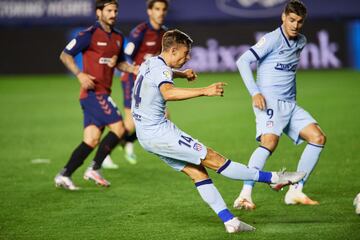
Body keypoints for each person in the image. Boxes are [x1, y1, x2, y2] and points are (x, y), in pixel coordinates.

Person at [131, 29, 306, 233]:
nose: (187, 58)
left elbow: (159, 75)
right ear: (172, 50)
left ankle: (230, 222)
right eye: (185, 54)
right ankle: (275, 178)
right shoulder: (162, 71)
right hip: (158, 133)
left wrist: (181, 73)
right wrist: (205, 90)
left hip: (145, 134)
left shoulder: (150, 62)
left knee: (198, 172)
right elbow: (168, 92)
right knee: (214, 159)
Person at [233, 0, 326, 210]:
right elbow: (242, 61)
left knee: (318, 137)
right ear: (283, 17)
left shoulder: (301, 41)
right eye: (291, 20)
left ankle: (295, 191)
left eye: (299, 22)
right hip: (269, 102)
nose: (295, 25)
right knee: (269, 143)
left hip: (290, 105)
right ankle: (245, 194)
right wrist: (255, 92)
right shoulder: (272, 39)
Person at [54, 0, 138, 190]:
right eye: (109, 10)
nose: (113, 14)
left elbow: (120, 64)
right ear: (99, 12)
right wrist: (80, 74)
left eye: (115, 10)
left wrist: (133, 69)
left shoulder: (117, 37)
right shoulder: (88, 34)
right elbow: (65, 55)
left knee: (91, 140)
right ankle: (94, 168)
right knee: (120, 128)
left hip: (99, 94)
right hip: (94, 93)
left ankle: (64, 175)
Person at [103, 0, 196, 168]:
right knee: (130, 123)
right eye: (157, 9)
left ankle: (128, 142)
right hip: (134, 79)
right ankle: (104, 155)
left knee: (164, 116)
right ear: (149, 11)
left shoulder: (166, 34)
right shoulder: (140, 31)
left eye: (163, 9)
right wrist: (133, 68)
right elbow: (127, 54)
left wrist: (181, 74)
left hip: (151, 81)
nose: (160, 12)